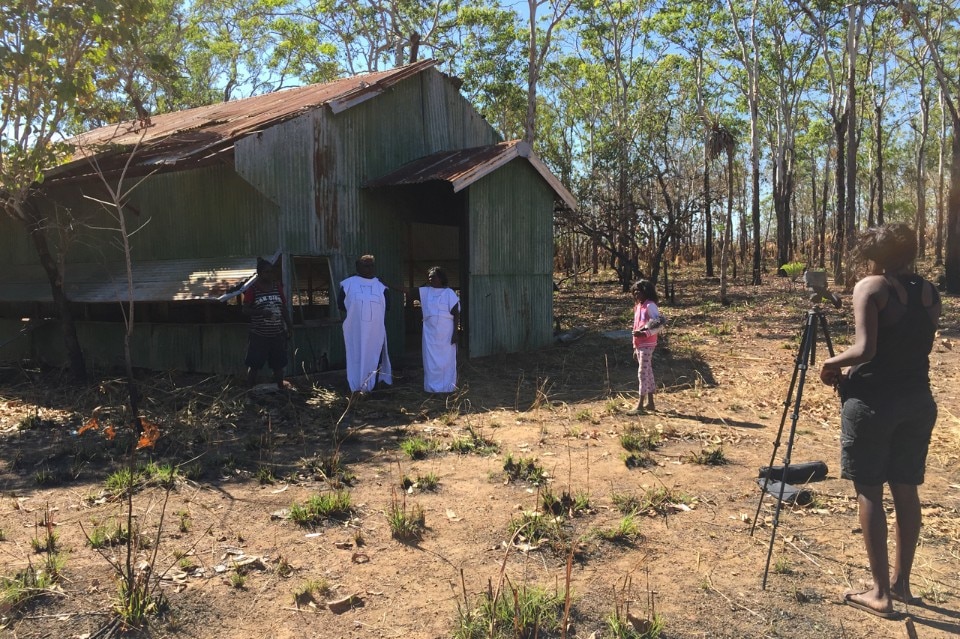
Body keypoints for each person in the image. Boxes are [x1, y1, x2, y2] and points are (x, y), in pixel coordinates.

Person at [819, 223, 940, 620]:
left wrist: (830, 364)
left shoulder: (871, 287)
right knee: (905, 489)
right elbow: (911, 345)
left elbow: (865, 350)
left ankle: (880, 594)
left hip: (873, 403)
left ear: (874, 254)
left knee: (869, 490)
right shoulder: (929, 292)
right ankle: (902, 584)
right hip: (918, 401)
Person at [338, 255, 392, 394]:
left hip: (375, 330)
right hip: (356, 329)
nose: (369, 269)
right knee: (356, 355)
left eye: (371, 265)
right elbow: (341, 305)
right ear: (358, 267)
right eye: (366, 266)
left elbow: (387, 306)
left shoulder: (381, 286)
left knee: (375, 356)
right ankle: (356, 386)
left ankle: (372, 386)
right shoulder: (348, 284)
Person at [242, 257, 293, 389]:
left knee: (278, 364)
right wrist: (261, 313)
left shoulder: (277, 287)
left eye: (272, 272)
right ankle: (248, 389)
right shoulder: (252, 289)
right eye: (267, 272)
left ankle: (280, 387)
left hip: (277, 334)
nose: (270, 274)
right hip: (259, 335)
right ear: (259, 274)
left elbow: (283, 308)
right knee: (254, 364)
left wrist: (289, 326)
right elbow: (245, 310)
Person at [408, 266, 460, 393]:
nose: (431, 279)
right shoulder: (425, 292)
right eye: (429, 277)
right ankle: (431, 388)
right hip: (430, 334)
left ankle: (447, 387)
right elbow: (407, 290)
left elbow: (456, 313)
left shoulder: (449, 293)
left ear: (441, 278)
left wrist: (455, 333)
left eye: (434, 277)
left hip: (446, 333)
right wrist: (387, 284)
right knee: (430, 361)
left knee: (446, 361)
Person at [627, 279, 661, 415]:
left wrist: (644, 333)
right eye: (634, 291)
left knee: (642, 373)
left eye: (639, 291)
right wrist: (635, 346)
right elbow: (636, 327)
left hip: (647, 343)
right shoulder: (639, 306)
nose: (636, 293)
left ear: (646, 292)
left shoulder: (650, 306)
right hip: (640, 344)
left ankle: (640, 404)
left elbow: (658, 324)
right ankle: (650, 403)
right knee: (648, 371)